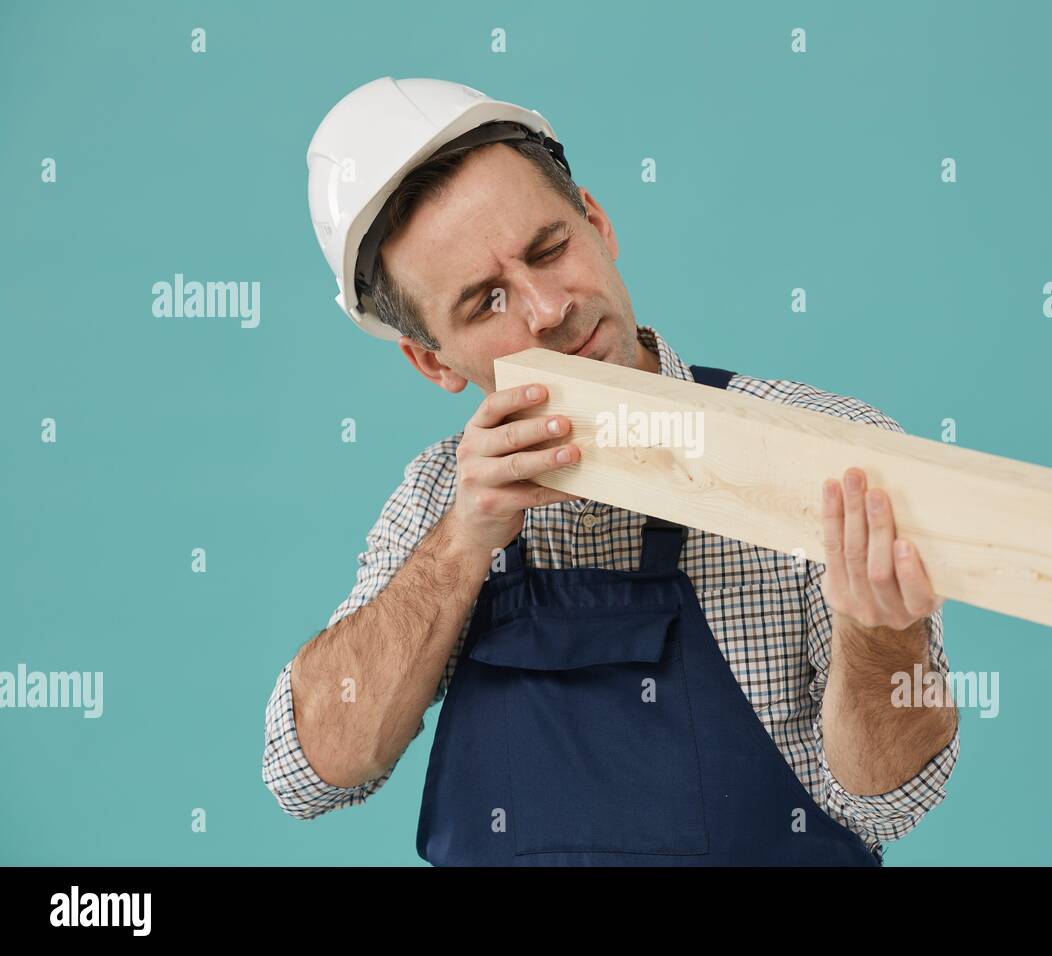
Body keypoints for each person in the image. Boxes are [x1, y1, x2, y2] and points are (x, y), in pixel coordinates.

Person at [264, 77, 959, 865]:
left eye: (550, 249)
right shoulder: (437, 497)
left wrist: (881, 633)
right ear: (431, 361)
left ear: (597, 223)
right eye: (486, 300)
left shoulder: (830, 455)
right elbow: (308, 774)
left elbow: (892, 798)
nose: (546, 308)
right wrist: (462, 543)